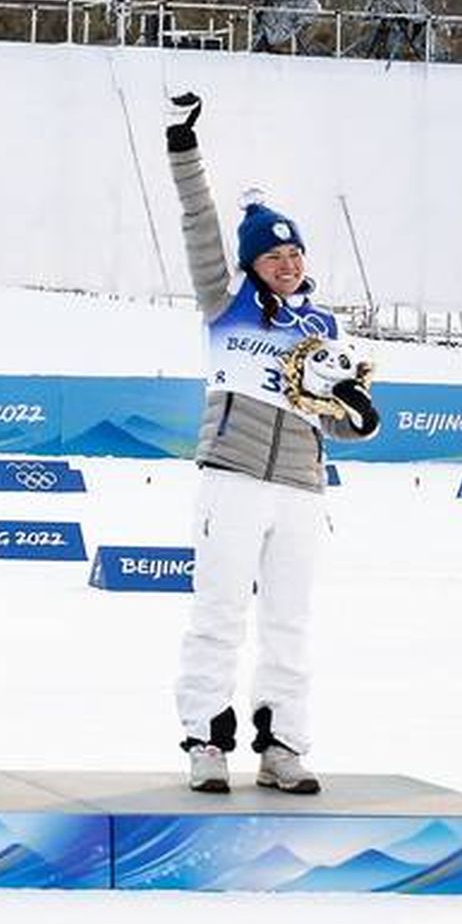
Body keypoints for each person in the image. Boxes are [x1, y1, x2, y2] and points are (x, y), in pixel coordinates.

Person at [163, 91, 379, 796]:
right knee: (218, 612)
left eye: (294, 252)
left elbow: (336, 412)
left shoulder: (324, 326)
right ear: (252, 262)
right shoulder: (223, 303)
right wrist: (184, 150)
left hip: (300, 488)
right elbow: (199, 222)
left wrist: (357, 413)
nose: (286, 262)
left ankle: (283, 746)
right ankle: (205, 742)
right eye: (273, 254)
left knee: (289, 622)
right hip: (231, 477)